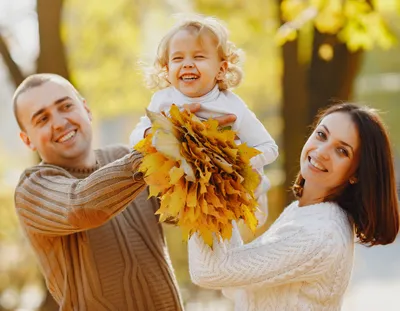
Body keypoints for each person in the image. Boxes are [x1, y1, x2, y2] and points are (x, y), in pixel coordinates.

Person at [188, 103, 400, 310]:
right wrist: (223, 187)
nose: (323, 151)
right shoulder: (304, 212)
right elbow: (235, 280)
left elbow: (210, 272)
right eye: (321, 135)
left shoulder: (320, 234)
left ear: (356, 173)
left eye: (342, 151)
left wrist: (198, 182)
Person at [12, 73, 184, 311]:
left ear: (86, 109)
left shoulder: (124, 157)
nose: (60, 123)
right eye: (42, 119)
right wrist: (152, 152)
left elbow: (183, 213)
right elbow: (81, 206)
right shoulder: (32, 189)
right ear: (27, 140)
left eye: (66, 106)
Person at [130, 15, 278, 226]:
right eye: (178, 59)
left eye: (198, 57)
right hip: (193, 192)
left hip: (238, 189)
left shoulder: (232, 107)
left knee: (242, 229)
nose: (187, 64)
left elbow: (269, 147)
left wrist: (236, 163)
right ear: (167, 68)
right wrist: (154, 132)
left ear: (221, 69)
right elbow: (135, 137)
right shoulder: (163, 101)